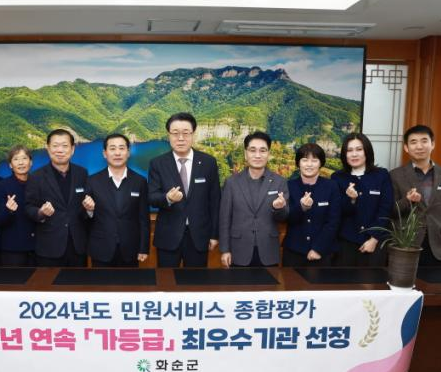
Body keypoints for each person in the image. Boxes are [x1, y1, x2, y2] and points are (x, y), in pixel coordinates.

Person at [148, 112, 220, 267]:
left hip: (199, 236)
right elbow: (151, 197)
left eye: (186, 133)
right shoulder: (157, 163)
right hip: (168, 236)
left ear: (193, 134)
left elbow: (215, 201)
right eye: (175, 133)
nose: (180, 138)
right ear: (168, 135)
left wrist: (214, 235)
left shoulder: (208, 162)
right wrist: (167, 198)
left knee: (196, 281)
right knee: (166, 280)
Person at [390, 124, 441, 266]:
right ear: (406, 147)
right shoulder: (395, 175)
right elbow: (391, 211)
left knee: (437, 281)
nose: (419, 146)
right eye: (413, 142)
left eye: (424, 141)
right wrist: (407, 200)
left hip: (438, 246)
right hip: (406, 244)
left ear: (432, 144)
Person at [219, 132, 289, 267]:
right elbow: (224, 219)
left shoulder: (279, 182)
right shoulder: (232, 182)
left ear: (269, 154)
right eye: (252, 150)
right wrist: (225, 250)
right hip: (238, 250)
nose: (257, 155)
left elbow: (283, 217)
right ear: (246, 154)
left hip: (268, 250)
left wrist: (278, 208)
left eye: (262, 150)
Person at [25, 129, 90, 267]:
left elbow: (84, 207)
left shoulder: (82, 173)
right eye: (55, 146)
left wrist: (90, 209)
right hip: (49, 248)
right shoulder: (36, 177)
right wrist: (40, 212)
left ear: (72, 149)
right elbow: (28, 206)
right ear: (48, 148)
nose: (60, 150)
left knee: (78, 281)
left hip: (77, 247)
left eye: (65, 146)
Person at [85, 134, 150, 267]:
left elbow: (144, 218)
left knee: (130, 281)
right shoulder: (92, 181)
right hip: (101, 249)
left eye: (121, 148)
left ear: (128, 153)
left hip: (131, 249)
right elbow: (83, 217)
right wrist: (89, 211)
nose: (117, 153)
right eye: (112, 148)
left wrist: (144, 248)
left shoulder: (140, 181)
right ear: (105, 153)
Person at [331, 133, 394, 266]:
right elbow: (337, 211)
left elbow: (385, 209)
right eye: (349, 150)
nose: (354, 154)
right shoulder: (337, 178)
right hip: (346, 242)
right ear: (344, 154)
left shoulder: (381, 175)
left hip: (375, 242)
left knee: (372, 279)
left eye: (359, 149)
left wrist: (374, 238)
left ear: (367, 151)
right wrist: (351, 200)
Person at [283, 143, 340, 267]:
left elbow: (333, 222)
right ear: (298, 163)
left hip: (323, 253)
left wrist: (318, 248)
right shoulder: (289, 186)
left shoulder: (332, 186)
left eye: (314, 160)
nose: (309, 164)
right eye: (305, 160)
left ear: (321, 163)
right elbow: (286, 218)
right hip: (294, 251)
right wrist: (301, 208)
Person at [0, 145, 36, 267]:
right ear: (10, 165)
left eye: (24, 158)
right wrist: (9, 210)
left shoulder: (38, 182)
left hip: (37, 248)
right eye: (16, 159)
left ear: (31, 162)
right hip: (13, 249)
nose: (21, 163)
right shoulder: (2, 186)